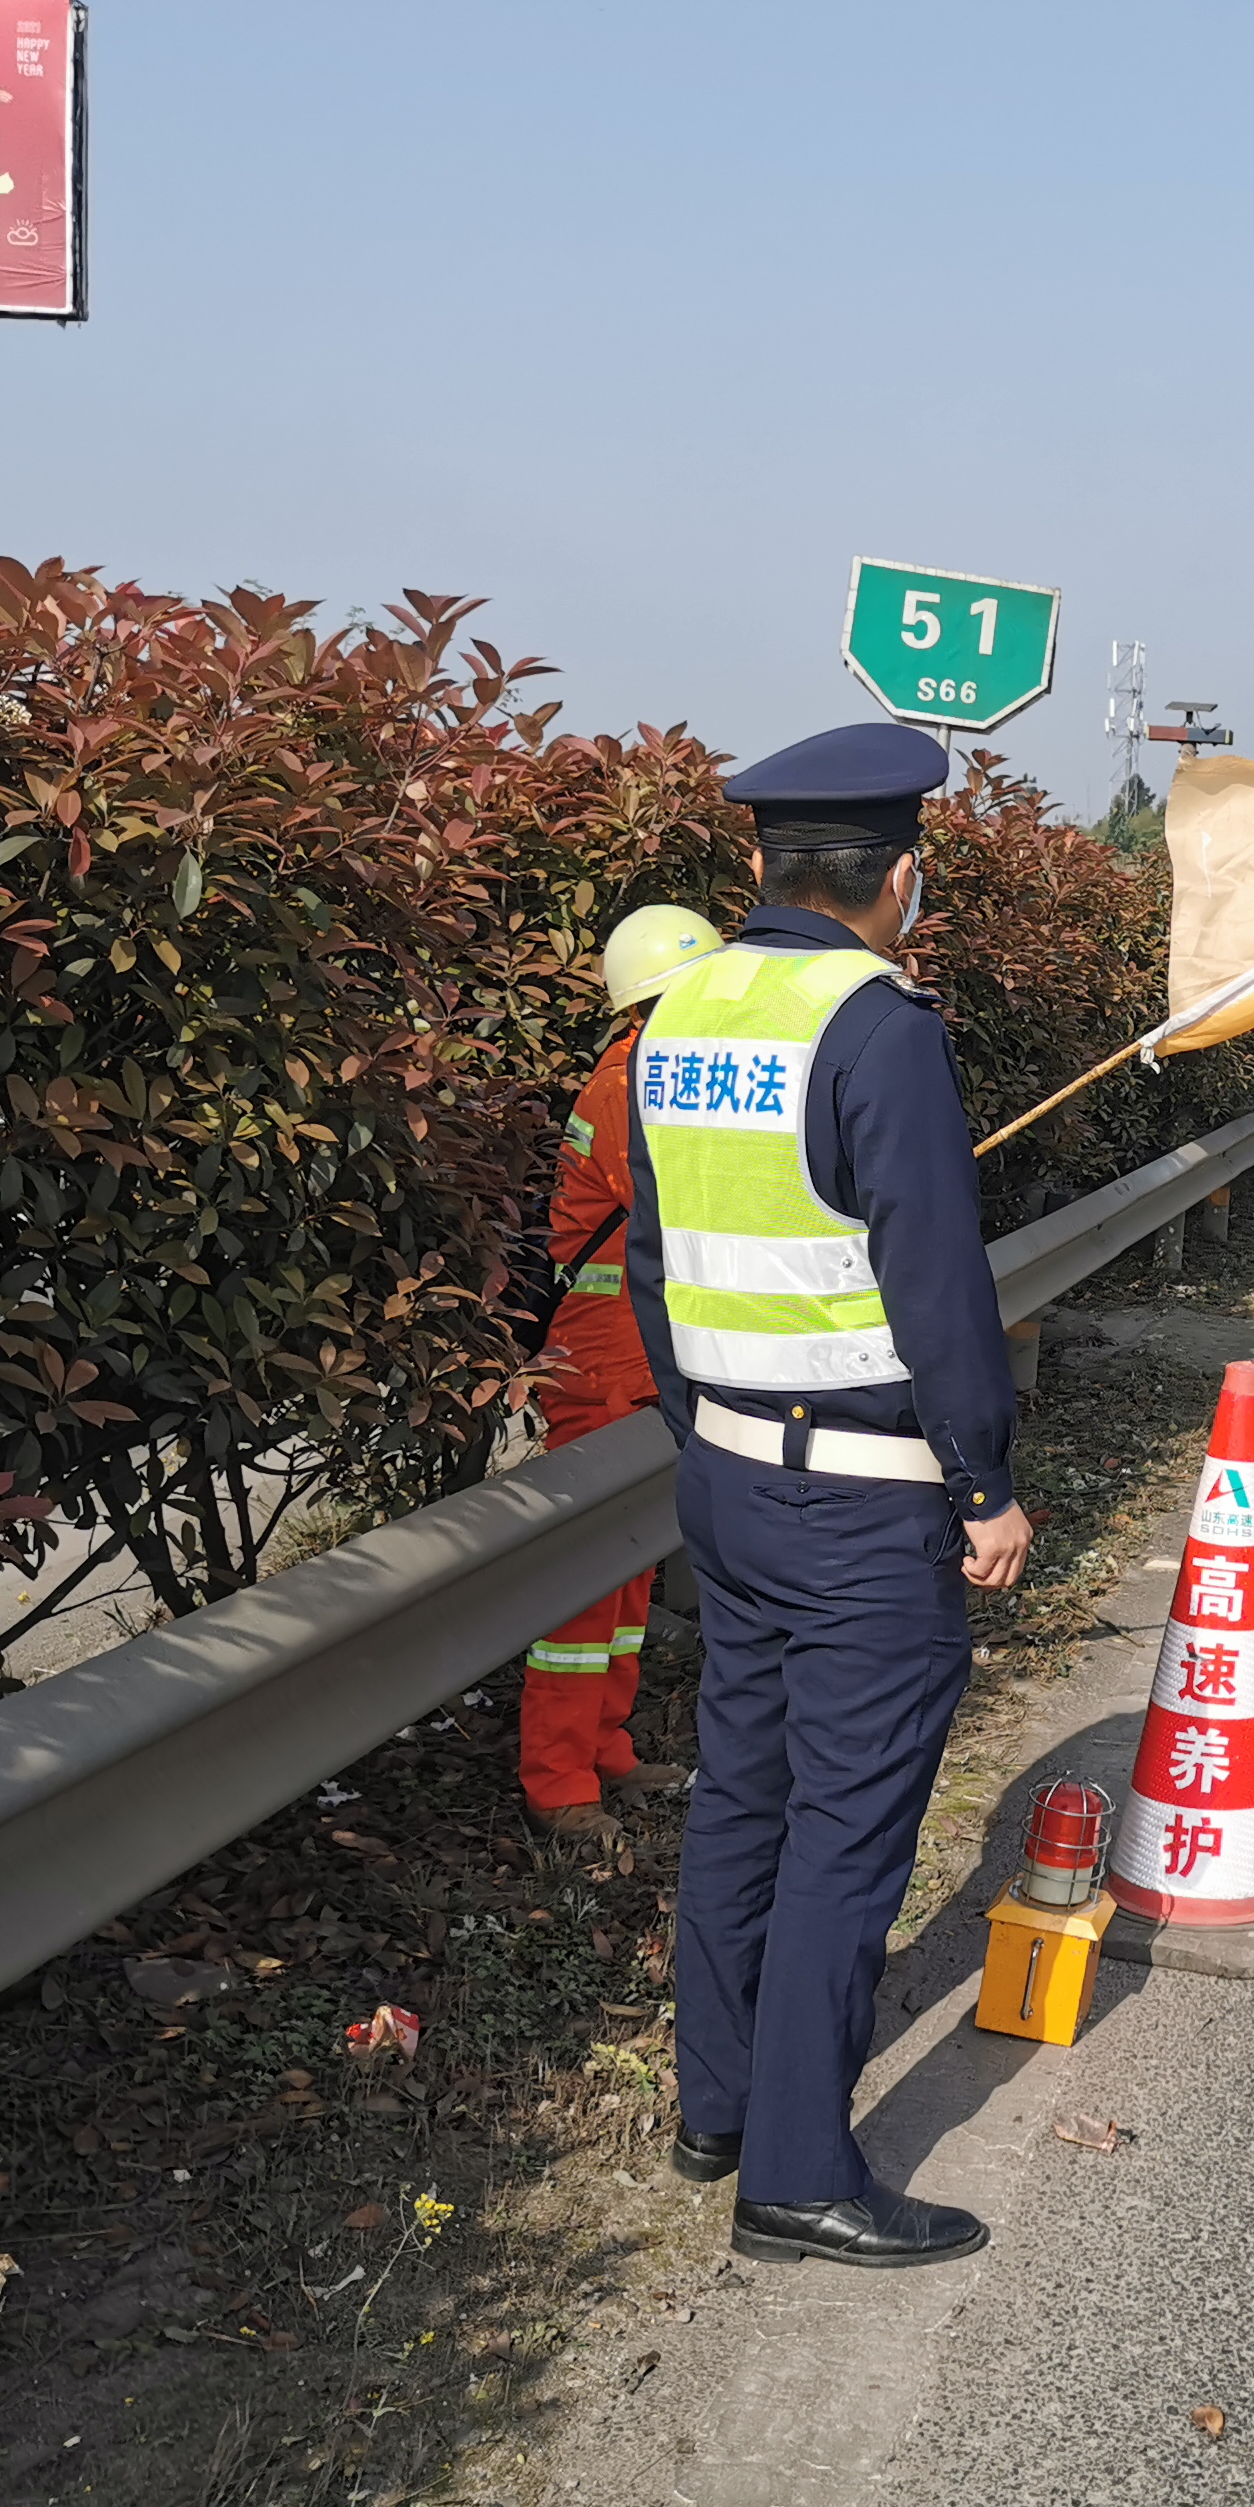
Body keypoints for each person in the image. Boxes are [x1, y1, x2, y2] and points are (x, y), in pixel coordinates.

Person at [621, 721, 1030, 2271]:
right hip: (862, 1504)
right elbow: (936, 1287)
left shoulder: (684, 1008)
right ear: (904, 879)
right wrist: (984, 1483)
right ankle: (797, 2170)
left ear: (756, 864)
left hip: (725, 1477)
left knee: (744, 1798)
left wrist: (707, 1427)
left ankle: (714, 2109)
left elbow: (656, 1266)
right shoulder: (879, 1028)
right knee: (848, 1834)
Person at [517, 904, 718, 1842]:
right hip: (604, 1355)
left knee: (631, 1570)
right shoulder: (631, 1082)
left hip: (641, 1348)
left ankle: (608, 1750)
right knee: (586, 1590)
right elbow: (682, 1202)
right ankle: (558, 1782)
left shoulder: (661, 1070)